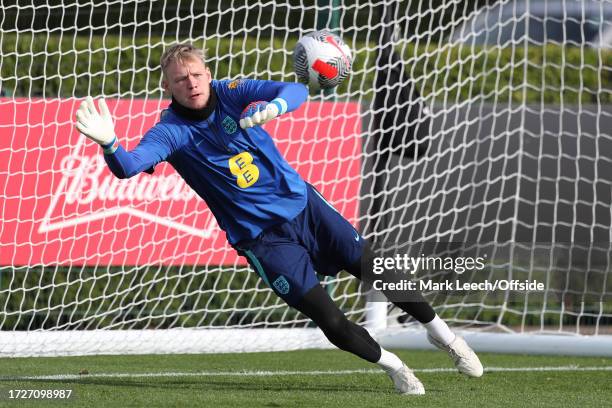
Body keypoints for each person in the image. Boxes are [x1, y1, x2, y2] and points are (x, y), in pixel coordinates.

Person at [74, 42, 483, 395]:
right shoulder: (170, 132)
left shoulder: (232, 92)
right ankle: (397, 368)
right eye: (181, 80)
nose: (192, 84)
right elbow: (128, 166)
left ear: (208, 73)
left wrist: (274, 106)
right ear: (168, 87)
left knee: (374, 268)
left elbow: (295, 90)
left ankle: (445, 337)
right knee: (329, 319)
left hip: (305, 208)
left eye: (196, 74)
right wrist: (110, 143)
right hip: (262, 241)